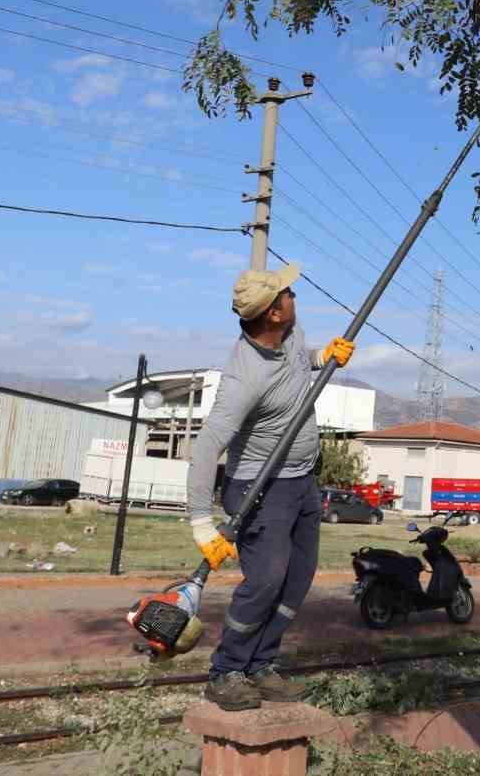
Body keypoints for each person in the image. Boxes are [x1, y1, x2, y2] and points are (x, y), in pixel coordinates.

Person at [186, 264, 355, 711]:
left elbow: (299, 364)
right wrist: (202, 525)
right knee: (264, 582)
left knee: (297, 579)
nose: (295, 295)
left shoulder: (292, 335)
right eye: (288, 294)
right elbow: (207, 448)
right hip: (260, 488)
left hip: (302, 481)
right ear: (273, 314)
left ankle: (262, 665)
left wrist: (324, 358)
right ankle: (226, 673)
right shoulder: (245, 379)